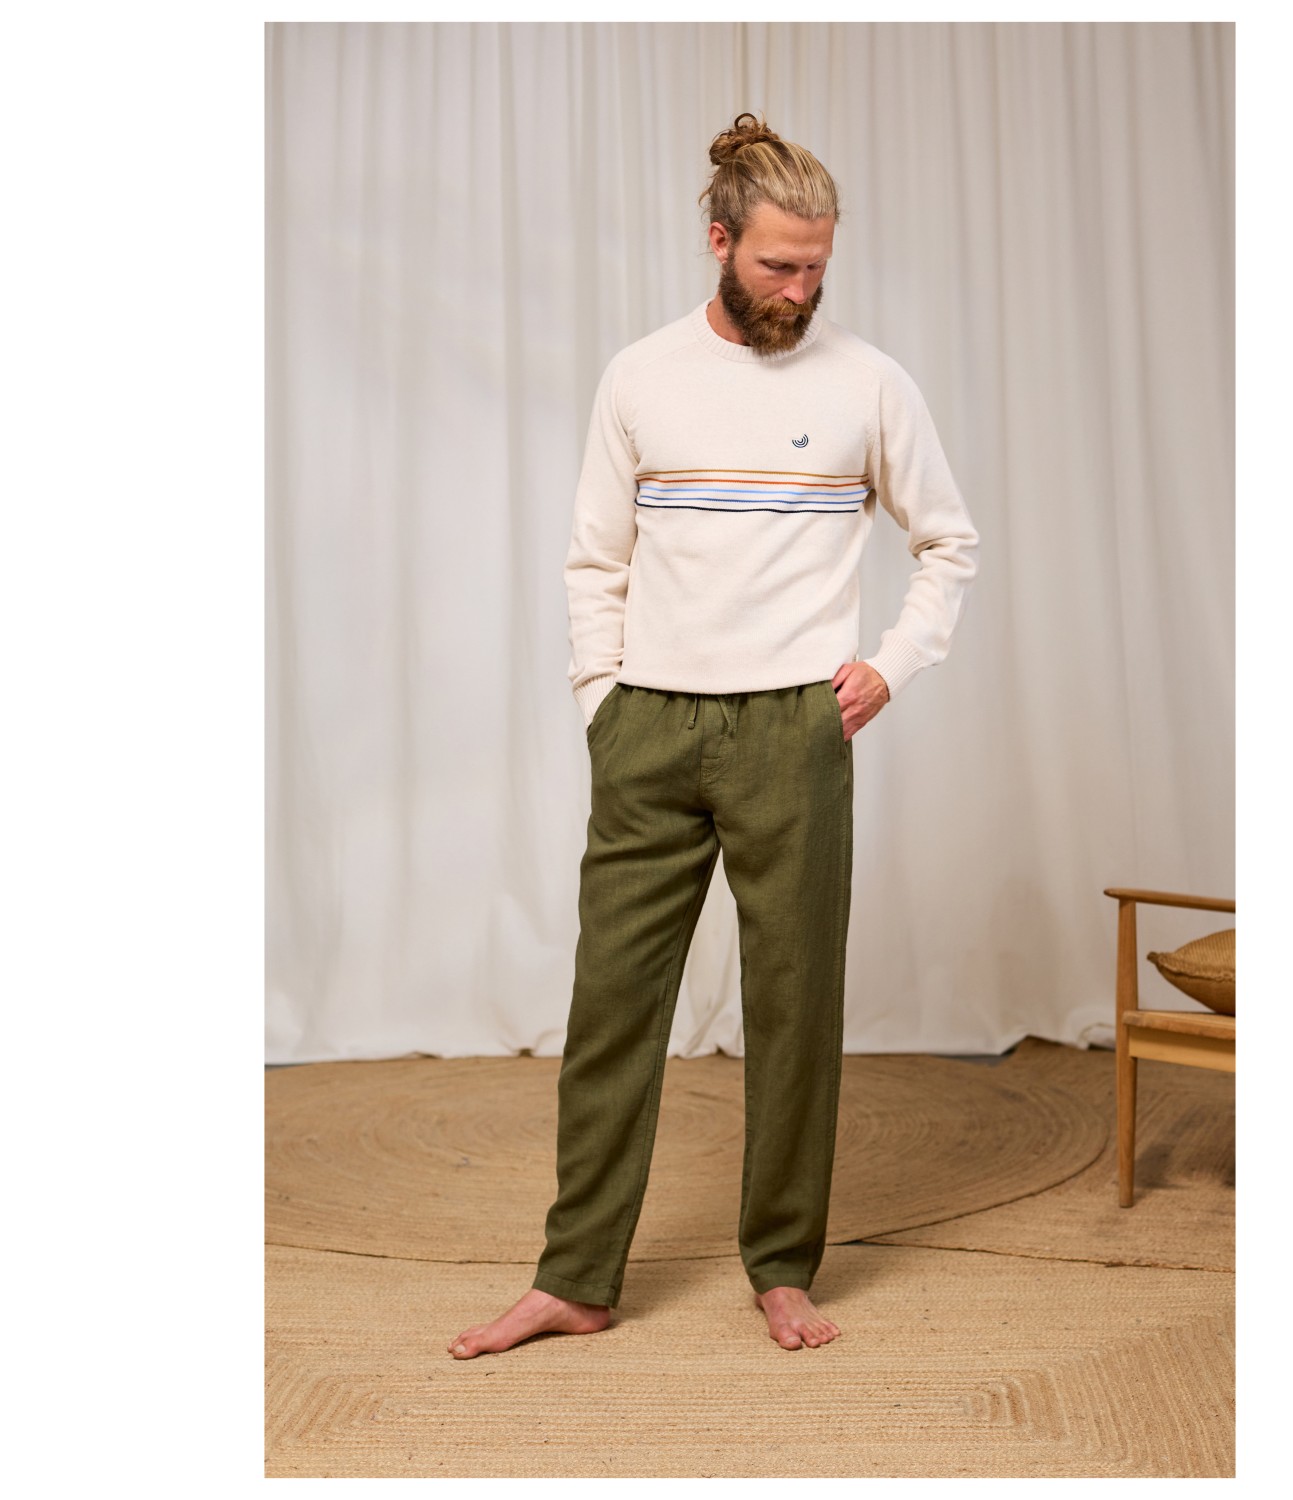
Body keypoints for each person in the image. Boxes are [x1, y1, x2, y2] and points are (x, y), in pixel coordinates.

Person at [450, 113, 978, 1358]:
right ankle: (577, 1276)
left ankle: (782, 1267)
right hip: (650, 724)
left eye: (817, 268)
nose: (798, 290)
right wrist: (603, 699)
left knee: (794, 1010)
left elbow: (948, 541)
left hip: (795, 727)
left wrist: (892, 664)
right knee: (611, 1009)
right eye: (777, 265)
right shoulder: (640, 377)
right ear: (719, 239)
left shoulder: (868, 383)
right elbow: (595, 557)